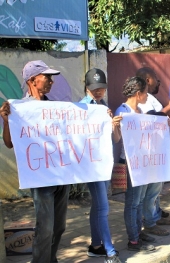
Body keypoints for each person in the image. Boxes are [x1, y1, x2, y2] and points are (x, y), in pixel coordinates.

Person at [0, 60, 68, 263]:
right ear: (32, 80)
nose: (51, 81)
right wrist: (6, 121)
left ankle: (50, 258)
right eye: (47, 77)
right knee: (45, 228)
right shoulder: (19, 109)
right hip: (40, 177)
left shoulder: (53, 107)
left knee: (59, 226)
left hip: (61, 174)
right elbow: (10, 143)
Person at [80, 68, 122, 262]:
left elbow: (115, 140)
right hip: (91, 165)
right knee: (103, 207)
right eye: (94, 88)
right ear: (86, 88)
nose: (98, 92)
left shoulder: (105, 107)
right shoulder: (79, 108)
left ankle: (95, 246)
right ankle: (110, 250)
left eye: (101, 88)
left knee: (98, 206)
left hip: (103, 163)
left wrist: (114, 125)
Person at [114, 76, 157, 251]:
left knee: (139, 201)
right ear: (138, 93)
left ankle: (138, 233)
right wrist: (115, 126)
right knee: (132, 202)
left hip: (143, 162)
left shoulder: (140, 111)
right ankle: (133, 240)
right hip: (131, 163)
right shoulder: (122, 111)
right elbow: (117, 140)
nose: (148, 96)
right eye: (146, 93)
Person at [136, 67, 170, 236]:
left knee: (156, 188)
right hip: (150, 152)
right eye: (155, 78)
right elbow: (150, 119)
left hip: (160, 149)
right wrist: (169, 107)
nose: (158, 82)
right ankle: (150, 223)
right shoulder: (142, 100)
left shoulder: (151, 98)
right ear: (147, 80)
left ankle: (155, 215)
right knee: (151, 190)